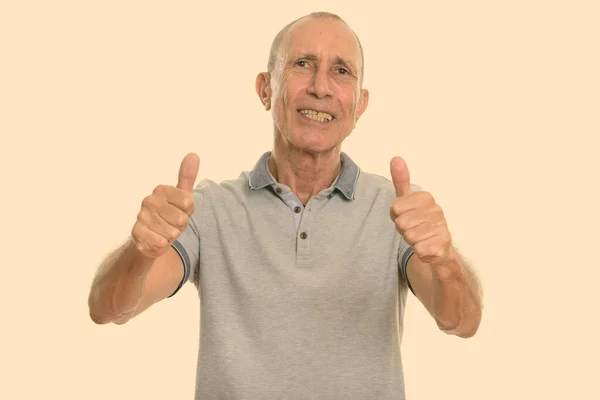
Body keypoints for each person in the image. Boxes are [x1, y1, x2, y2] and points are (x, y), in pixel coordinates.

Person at [88, 11, 483, 399]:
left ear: (360, 105)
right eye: (302, 64)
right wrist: (139, 252)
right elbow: (109, 309)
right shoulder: (208, 210)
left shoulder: (397, 209)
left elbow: (462, 322)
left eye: (341, 71)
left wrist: (446, 261)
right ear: (265, 89)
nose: (321, 87)